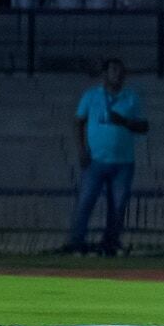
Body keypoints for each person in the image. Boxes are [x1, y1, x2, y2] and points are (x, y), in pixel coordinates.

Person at [58, 59, 146, 258]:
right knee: (86, 202)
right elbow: (78, 122)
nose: (118, 74)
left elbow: (143, 126)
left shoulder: (131, 97)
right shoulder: (91, 96)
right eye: (114, 70)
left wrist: (124, 121)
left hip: (123, 162)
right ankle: (76, 243)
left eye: (121, 71)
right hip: (95, 160)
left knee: (117, 206)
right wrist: (82, 150)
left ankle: (110, 244)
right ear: (105, 73)